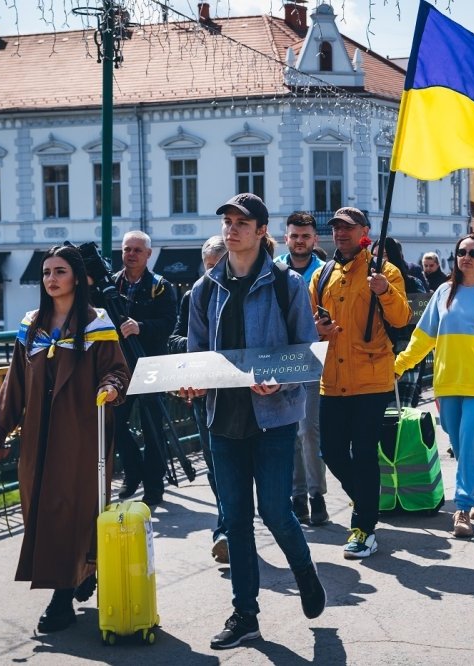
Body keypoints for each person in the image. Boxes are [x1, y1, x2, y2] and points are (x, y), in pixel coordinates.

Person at [183, 193, 325, 650]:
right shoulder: (205, 288)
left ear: (262, 231)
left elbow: (305, 356)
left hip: (273, 419)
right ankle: (245, 615)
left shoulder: (286, 284)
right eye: (227, 220)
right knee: (236, 518)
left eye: (243, 222)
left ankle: (304, 570)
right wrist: (192, 384)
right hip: (222, 420)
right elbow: (197, 357)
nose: (232, 228)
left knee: (275, 510)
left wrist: (278, 382)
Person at [0, 245, 129, 634]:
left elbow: (117, 371)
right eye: (46, 272)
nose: (51, 279)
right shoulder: (31, 326)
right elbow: (13, 384)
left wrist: (111, 388)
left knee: (72, 512)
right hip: (37, 439)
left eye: (60, 271)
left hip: (80, 436)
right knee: (41, 512)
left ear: (77, 278)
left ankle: (61, 597)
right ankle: (81, 573)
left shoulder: (97, 324)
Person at [395, 234, 474, 537]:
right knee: (458, 439)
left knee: (468, 442)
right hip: (448, 381)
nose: (466, 257)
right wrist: (399, 365)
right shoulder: (442, 293)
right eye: (461, 252)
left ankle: (462, 509)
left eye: (473, 253)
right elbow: (424, 336)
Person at [312, 207, 411, 558]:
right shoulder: (323, 274)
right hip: (332, 380)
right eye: (337, 228)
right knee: (332, 452)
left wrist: (384, 291)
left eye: (348, 229)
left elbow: (401, 317)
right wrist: (317, 330)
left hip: (371, 380)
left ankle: (364, 527)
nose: (340, 234)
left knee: (365, 454)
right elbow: (310, 324)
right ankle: (370, 501)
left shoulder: (385, 270)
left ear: (365, 232)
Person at [169, 235, 230, 563]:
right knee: (215, 464)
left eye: (218, 267)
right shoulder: (193, 294)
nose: (213, 274)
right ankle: (226, 529)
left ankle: (234, 526)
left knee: (236, 466)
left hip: (243, 397)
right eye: (208, 268)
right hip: (207, 395)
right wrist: (195, 348)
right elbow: (175, 337)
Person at [113, 231, 178, 505]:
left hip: (152, 364)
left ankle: (153, 486)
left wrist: (141, 327)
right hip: (119, 366)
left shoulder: (161, 286)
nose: (131, 254)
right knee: (114, 423)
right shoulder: (111, 284)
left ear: (149, 254)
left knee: (153, 428)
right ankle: (133, 471)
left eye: (137, 250)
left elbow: (168, 324)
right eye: (127, 249)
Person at [275, 212, 329, 526]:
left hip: (311, 357)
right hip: (281, 358)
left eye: (305, 236)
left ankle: (316, 494)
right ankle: (297, 496)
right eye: (294, 235)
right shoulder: (275, 270)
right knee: (289, 431)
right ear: (286, 238)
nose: (299, 241)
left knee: (309, 430)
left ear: (314, 240)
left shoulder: (323, 272)